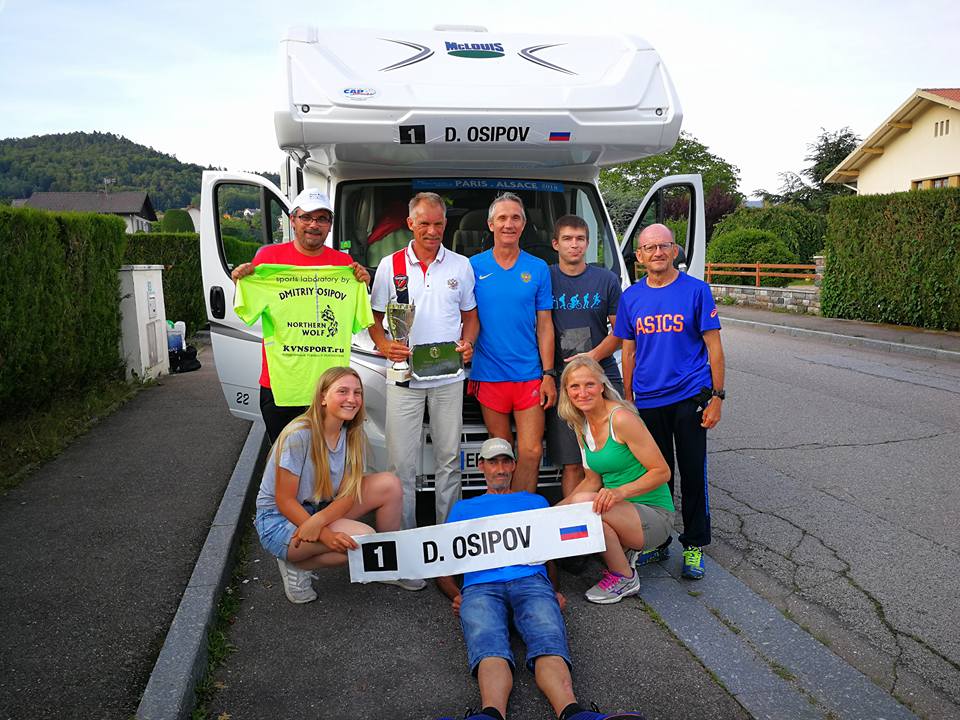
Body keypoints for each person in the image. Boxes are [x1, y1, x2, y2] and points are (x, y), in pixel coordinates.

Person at [436, 438, 646, 720]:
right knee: (487, 642)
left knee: (548, 638)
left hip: (531, 581)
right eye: (493, 462)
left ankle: (573, 713)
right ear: (481, 466)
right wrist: (456, 594)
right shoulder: (462, 509)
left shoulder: (535, 502)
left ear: (513, 465)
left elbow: (548, 554)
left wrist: (553, 589)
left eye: (505, 461)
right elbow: (441, 562)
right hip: (481, 586)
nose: (500, 469)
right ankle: (490, 714)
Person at [253, 366, 425, 603]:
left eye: (357, 393)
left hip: (318, 508)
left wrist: (319, 522)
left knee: (390, 484)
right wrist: (325, 535)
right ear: (323, 397)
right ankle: (296, 564)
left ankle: (386, 564)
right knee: (361, 539)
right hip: (279, 519)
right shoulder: (298, 434)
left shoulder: (351, 433)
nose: (352, 399)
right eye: (342, 391)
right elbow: (284, 501)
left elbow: (347, 495)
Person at [614, 224, 726, 580]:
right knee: (656, 477)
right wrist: (628, 399)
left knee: (693, 473)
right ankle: (659, 540)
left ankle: (693, 544)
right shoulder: (631, 297)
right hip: (648, 400)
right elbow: (628, 351)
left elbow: (714, 347)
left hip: (690, 395)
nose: (658, 253)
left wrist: (718, 397)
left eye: (664, 246)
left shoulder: (696, 291)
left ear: (675, 250)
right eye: (650, 248)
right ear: (639, 256)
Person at [369, 192, 479, 528]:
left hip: (448, 377)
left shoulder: (461, 265)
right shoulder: (390, 265)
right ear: (410, 224)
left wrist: (468, 343)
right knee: (401, 464)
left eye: (438, 224)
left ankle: (448, 535)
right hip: (404, 377)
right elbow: (373, 317)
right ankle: (405, 539)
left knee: (449, 460)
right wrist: (384, 344)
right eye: (424, 224)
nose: (432, 231)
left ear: (446, 224)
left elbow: (470, 316)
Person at [231, 188, 371, 443]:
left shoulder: (344, 265)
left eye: (322, 218)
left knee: (326, 457)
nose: (313, 225)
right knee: (285, 458)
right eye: (306, 217)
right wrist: (240, 282)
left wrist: (362, 285)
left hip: (330, 389)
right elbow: (247, 308)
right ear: (293, 220)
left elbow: (358, 320)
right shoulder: (267, 259)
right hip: (280, 385)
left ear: (330, 225)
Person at [557, 357, 673, 604]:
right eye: (574, 386)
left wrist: (619, 492)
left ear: (602, 385)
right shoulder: (581, 424)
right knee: (582, 504)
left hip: (654, 514)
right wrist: (552, 514)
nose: (582, 392)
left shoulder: (621, 419)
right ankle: (623, 554)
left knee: (587, 505)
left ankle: (625, 578)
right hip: (619, 511)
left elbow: (662, 471)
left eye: (589, 384)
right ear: (566, 391)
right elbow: (591, 480)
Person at [469, 192, 556, 494]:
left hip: (529, 373)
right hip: (489, 374)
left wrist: (548, 374)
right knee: (501, 453)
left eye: (515, 218)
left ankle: (522, 511)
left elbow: (545, 325)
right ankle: (505, 512)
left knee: (531, 451)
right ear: (491, 224)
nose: (509, 224)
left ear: (524, 224)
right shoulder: (472, 267)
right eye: (502, 218)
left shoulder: (539, 268)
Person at [545, 215, 624, 498]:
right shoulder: (545, 277)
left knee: (614, 457)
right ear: (555, 244)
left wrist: (591, 357)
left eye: (580, 239)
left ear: (588, 244)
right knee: (573, 463)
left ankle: (612, 518)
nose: (574, 245)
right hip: (560, 378)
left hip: (601, 372)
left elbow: (621, 332)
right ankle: (573, 521)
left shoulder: (606, 279)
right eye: (567, 239)